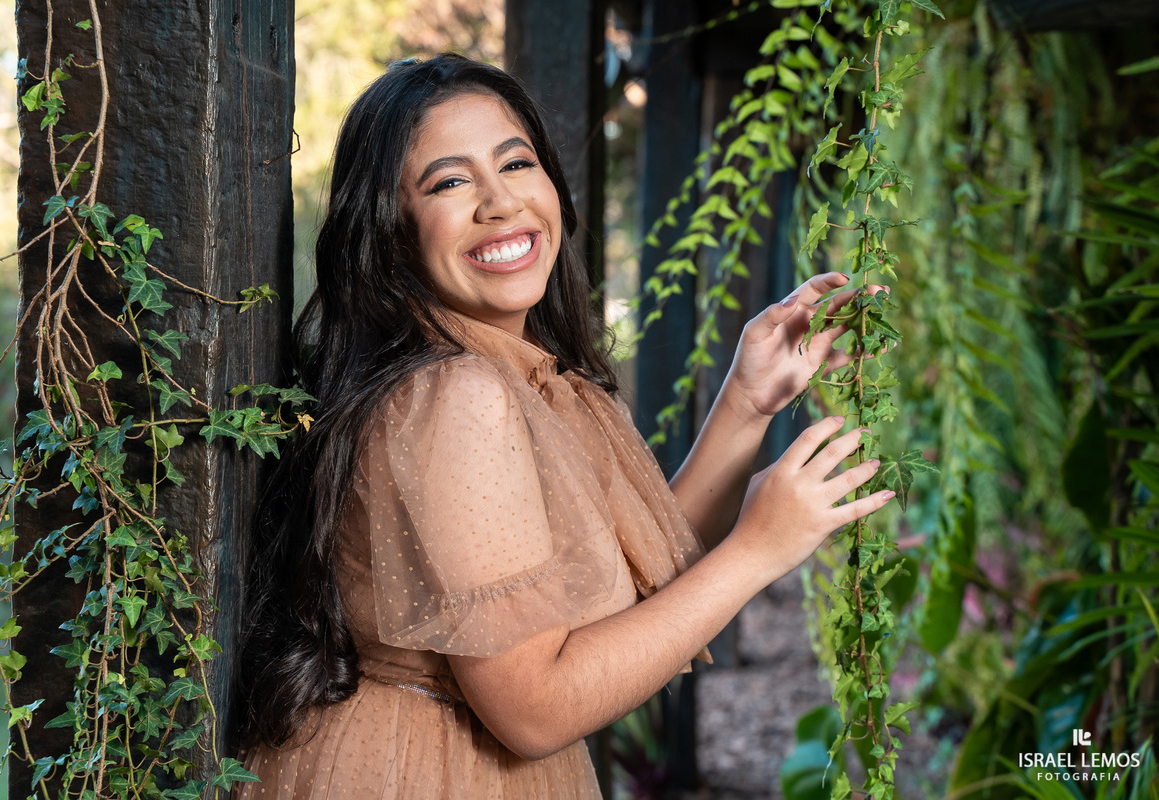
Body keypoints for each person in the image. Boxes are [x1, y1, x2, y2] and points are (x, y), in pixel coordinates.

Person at [234, 53, 895, 800]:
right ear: (390, 228)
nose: (499, 202)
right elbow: (534, 711)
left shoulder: (519, 375)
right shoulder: (458, 395)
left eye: (515, 163)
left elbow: (644, 594)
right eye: (449, 182)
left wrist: (746, 402)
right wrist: (757, 549)